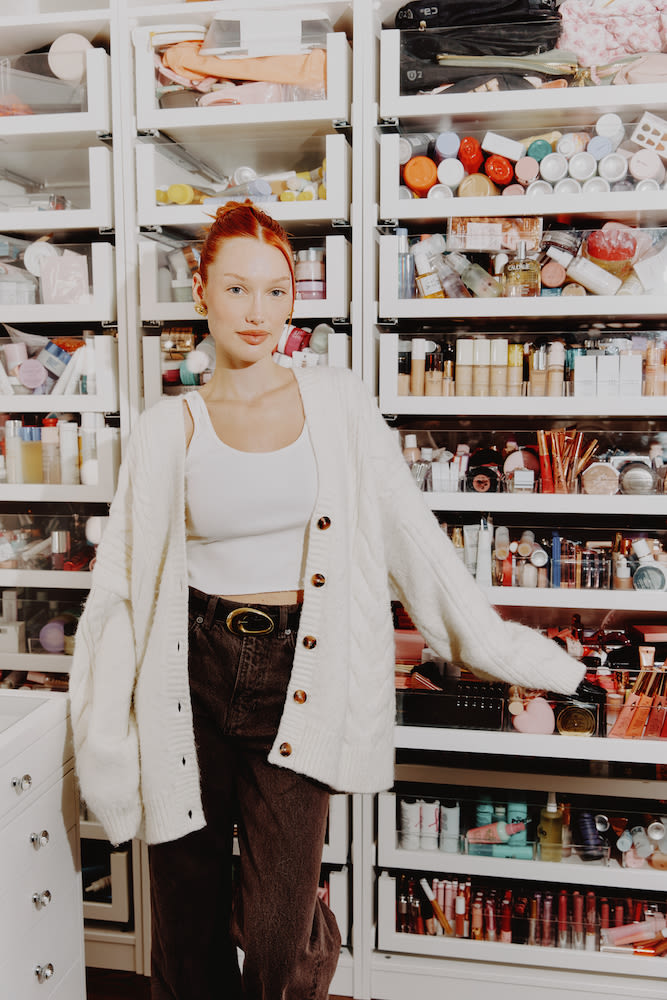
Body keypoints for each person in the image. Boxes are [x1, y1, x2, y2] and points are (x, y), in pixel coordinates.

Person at [69, 201, 585, 1000]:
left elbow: (413, 540)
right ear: (200, 290)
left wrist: (521, 655)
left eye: (275, 291)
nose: (257, 311)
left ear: (292, 300)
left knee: (276, 931)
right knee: (186, 916)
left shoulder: (336, 402)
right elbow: (121, 596)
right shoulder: (167, 427)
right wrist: (103, 747)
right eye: (237, 288)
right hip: (188, 675)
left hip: (298, 674)